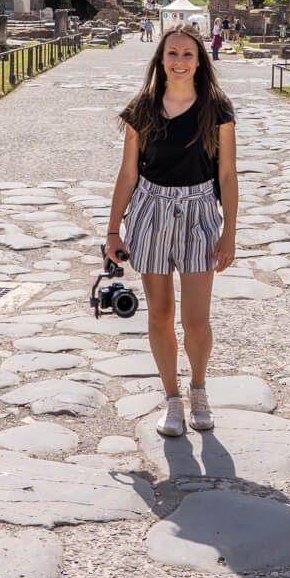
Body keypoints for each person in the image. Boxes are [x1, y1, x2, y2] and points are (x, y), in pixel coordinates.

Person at [106, 27, 238, 438]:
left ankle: (198, 389)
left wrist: (229, 232)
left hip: (199, 212)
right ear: (160, 60)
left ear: (200, 62)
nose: (179, 61)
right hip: (150, 210)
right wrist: (113, 231)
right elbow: (128, 173)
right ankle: (172, 399)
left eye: (187, 55)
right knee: (160, 314)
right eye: (172, 54)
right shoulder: (142, 109)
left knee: (196, 320)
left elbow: (228, 174)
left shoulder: (216, 108)